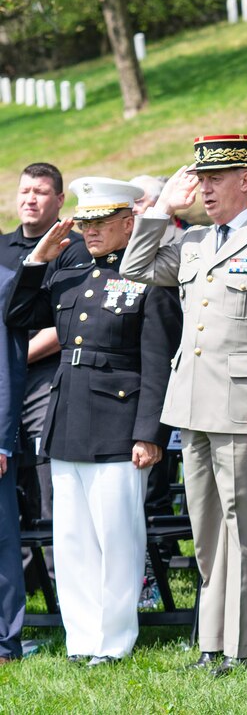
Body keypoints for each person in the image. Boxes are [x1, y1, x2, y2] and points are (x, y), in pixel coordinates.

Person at [120, 134, 247, 676]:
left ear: (246, 180)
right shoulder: (195, 240)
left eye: (215, 179)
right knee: (205, 529)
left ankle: (241, 647)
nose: (205, 189)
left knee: (245, 528)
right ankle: (211, 641)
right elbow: (136, 267)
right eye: (200, 180)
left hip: (245, 404)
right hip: (191, 405)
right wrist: (160, 212)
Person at [5, 178, 182, 665]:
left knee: (117, 537)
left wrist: (149, 433)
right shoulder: (69, 270)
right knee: (74, 537)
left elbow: (157, 362)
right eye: (84, 222)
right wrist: (38, 259)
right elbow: (17, 313)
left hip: (120, 423)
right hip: (68, 420)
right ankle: (81, 638)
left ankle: (114, 639)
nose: (90, 230)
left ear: (130, 223)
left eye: (101, 222)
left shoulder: (148, 280)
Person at [1, 164, 87, 591]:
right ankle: (25, 577)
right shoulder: (2, 247)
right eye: (25, 191)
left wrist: (17, 355)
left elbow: (64, 322)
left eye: (41, 192)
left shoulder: (72, 248)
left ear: (60, 200)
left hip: (43, 380)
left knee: (45, 479)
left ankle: (57, 580)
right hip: (3, 381)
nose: (30, 198)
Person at [0, 262, 28, 667]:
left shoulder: (5, 282)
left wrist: (2, 441)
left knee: (2, 543)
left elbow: (7, 369)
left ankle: (5, 644)